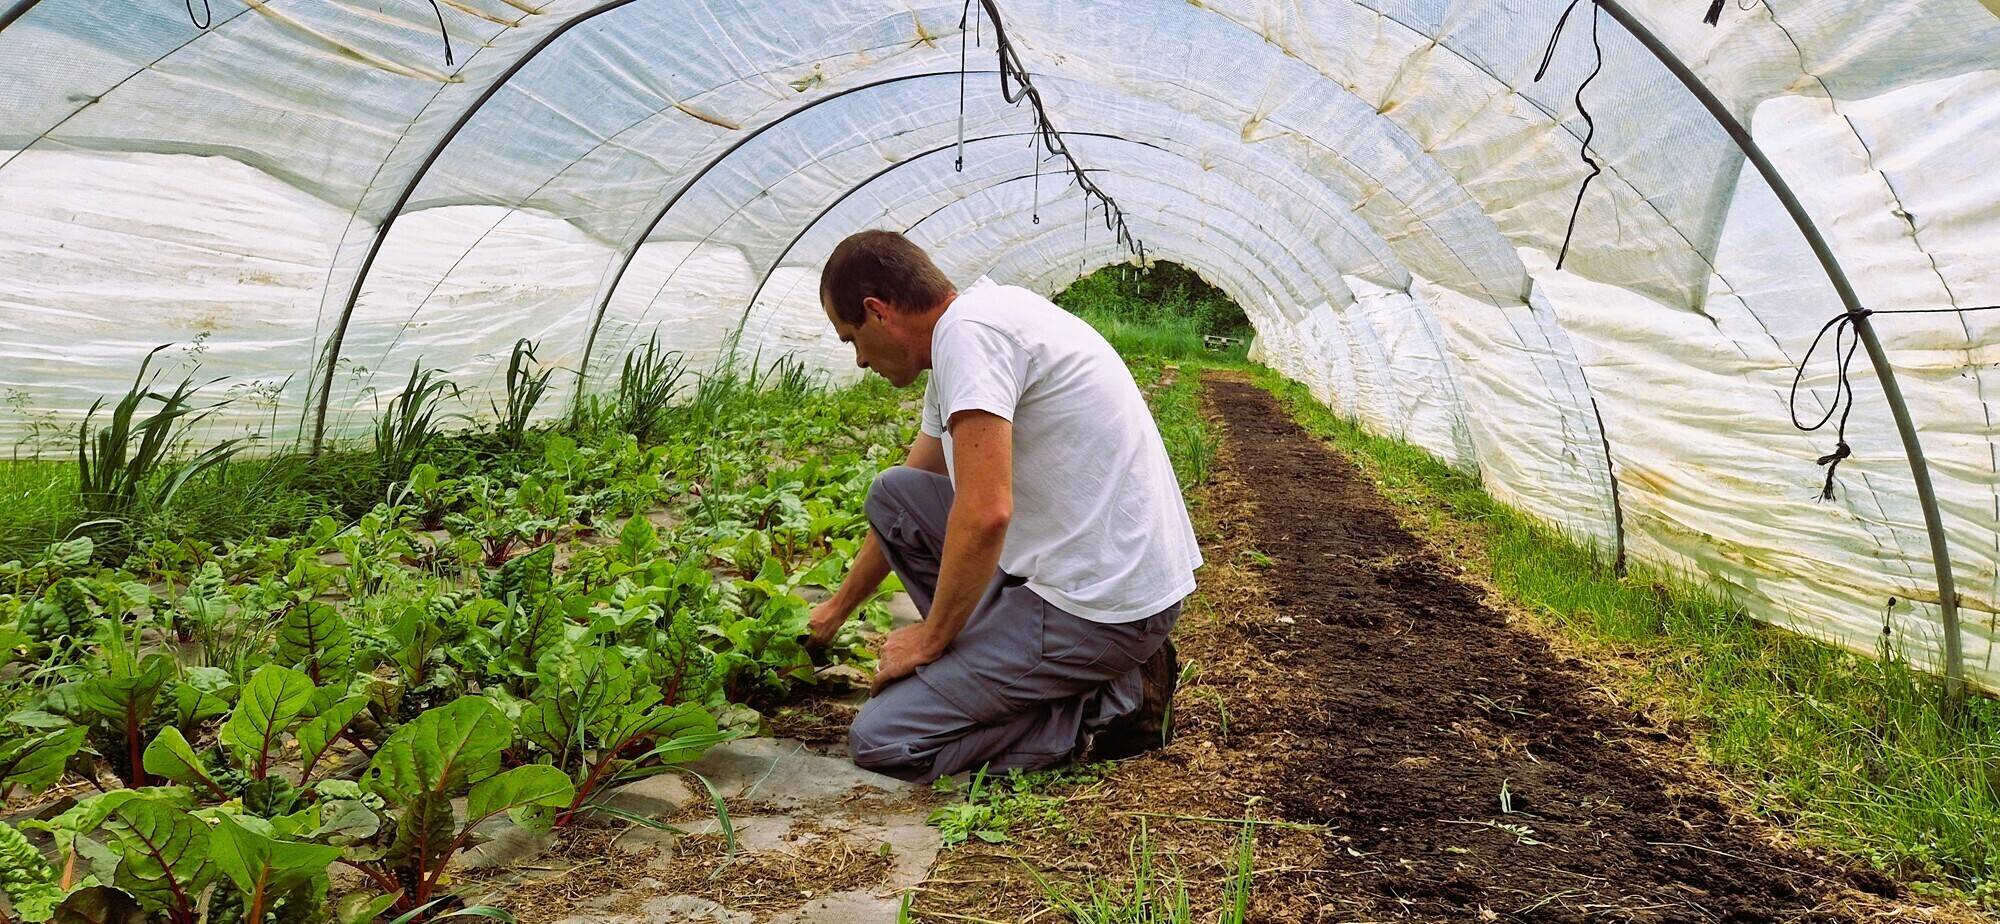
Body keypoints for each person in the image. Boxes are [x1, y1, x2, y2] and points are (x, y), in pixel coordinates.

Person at [805, 229, 1202, 783]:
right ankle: (1011, 668)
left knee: (884, 739)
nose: (860, 361)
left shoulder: (971, 337)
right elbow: (913, 488)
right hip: (1086, 574)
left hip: (1098, 608)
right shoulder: (973, 324)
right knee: (893, 495)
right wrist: (836, 609)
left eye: (852, 340)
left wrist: (930, 639)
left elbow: (986, 512)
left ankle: (1110, 704)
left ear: (878, 311)